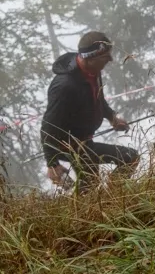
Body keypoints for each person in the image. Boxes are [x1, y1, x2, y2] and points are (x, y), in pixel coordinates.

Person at [41, 31, 137, 192]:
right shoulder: (65, 86)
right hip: (72, 146)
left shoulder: (92, 72)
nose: (110, 60)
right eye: (105, 57)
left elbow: (98, 99)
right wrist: (52, 164)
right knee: (91, 187)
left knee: (128, 159)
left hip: (86, 141)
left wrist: (112, 116)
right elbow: (48, 125)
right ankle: (109, 201)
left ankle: (113, 197)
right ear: (89, 58)